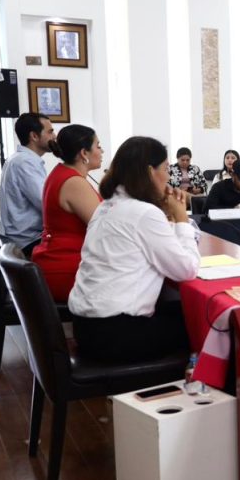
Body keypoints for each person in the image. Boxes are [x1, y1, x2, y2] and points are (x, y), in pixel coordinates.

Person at [67, 136, 199, 363]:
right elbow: (187, 270)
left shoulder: (106, 206)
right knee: (208, 322)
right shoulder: (144, 213)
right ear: (150, 172)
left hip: (85, 327)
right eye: (165, 169)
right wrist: (181, 218)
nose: (169, 177)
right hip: (117, 334)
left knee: (176, 308)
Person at [31, 125, 103, 301]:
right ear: (84, 153)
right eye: (98, 146)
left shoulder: (64, 173)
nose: (102, 151)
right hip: (66, 269)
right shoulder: (74, 182)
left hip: (61, 260)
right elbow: (104, 228)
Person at [0, 112, 56, 257]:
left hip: (22, 238)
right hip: (27, 241)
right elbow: (46, 204)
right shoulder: (25, 163)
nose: (54, 136)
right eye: (50, 132)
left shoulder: (22, 159)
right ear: (34, 136)